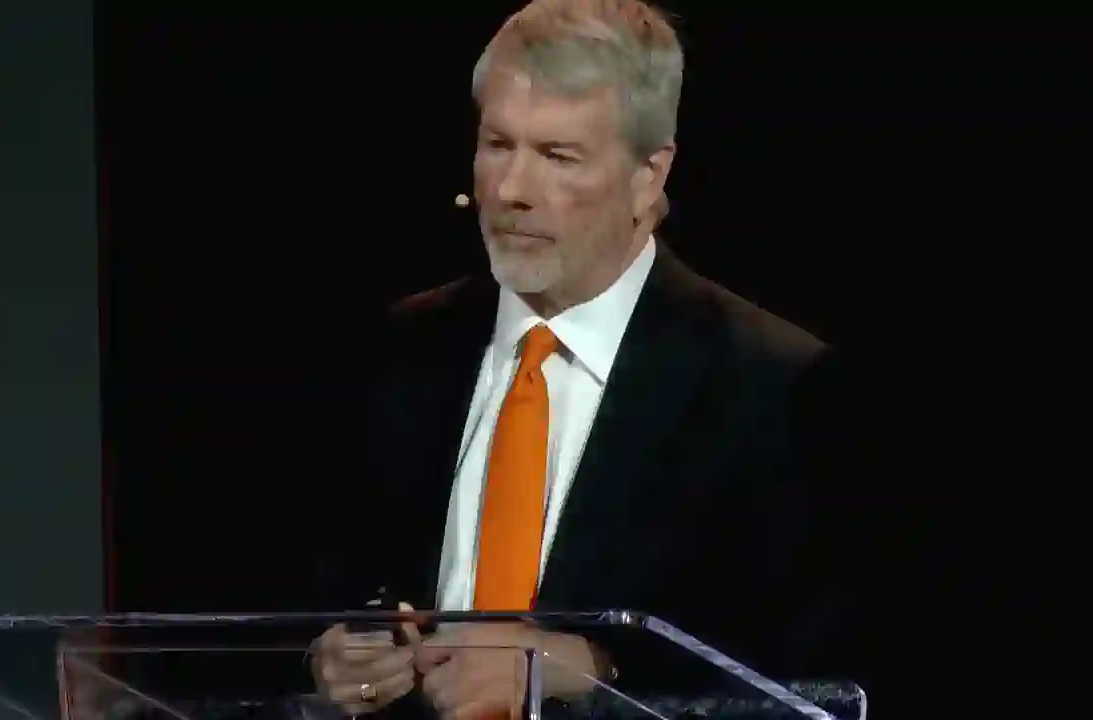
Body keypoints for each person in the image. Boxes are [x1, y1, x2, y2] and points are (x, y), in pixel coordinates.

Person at [310, 0, 867, 717]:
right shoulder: (401, 351)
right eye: (497, 145)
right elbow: (327, 589)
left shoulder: (766, 387)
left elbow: (803, 679)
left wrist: (596, 669)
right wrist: (332, 655)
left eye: (556, 156)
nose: (511, 191)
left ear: (648, 176)